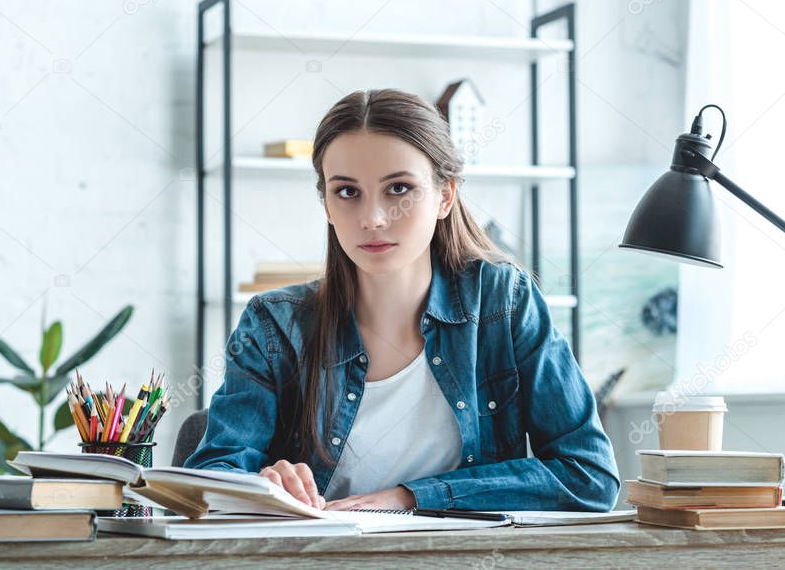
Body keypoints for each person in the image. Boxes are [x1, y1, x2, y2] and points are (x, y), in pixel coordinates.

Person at [185, 88, 620, 512]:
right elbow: (210, 476)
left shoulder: (503, 303)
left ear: (445, 196)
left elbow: (588, 475)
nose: (373, 218)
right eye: (347, 192)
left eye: (398, 189)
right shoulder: (274, 325)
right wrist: (260, 485)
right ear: (326, 205)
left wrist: (412, 496)